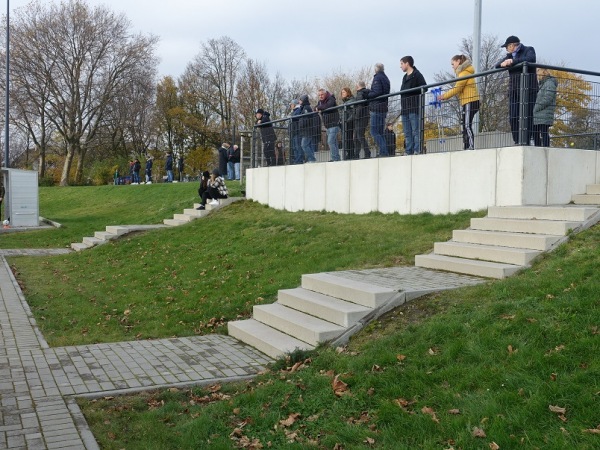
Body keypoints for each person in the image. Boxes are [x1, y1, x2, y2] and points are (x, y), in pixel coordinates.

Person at [495, 35, 538, 145]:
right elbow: (497, 66)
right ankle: (517, 141)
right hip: (514, 90)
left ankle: (526, 141)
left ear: (512, 45)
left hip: (528, 89)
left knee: (528, 116)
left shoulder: (528, 50)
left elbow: (531, 59)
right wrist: (503, 63)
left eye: (507, 47)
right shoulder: (509, 56)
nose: (506, 49)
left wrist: (513, 61)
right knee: (513, 116)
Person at [439, 54, 480, 150]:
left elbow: (457, 88)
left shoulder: (464, 73)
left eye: (453, 64)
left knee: (466, 124)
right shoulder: (463, 73)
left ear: (458, 61)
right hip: (467, 101)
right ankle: (466, 145)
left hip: (470, 100)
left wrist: (443, 96)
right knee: (465, 125)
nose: (452, 66)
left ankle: (470, 145)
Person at [400, 56, 428, 155]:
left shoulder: (417, 75)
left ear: (407, 63)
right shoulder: (404, 77)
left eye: (401, 64)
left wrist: (412, 92)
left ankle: (417, 150)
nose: (400, 66)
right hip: (405, 109)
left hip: (414, 107)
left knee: (416, 130)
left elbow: (424, 87)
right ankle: (409, 150)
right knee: (407, 132)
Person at [366, 63, 391, 156]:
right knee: (380, 132)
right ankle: (383, 152)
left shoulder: (377, 78)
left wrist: (368, 95)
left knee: (374, 132)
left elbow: (377, 92)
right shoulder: (386, 78)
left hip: (376, 107)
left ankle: (384, 152)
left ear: (376, 69)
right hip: (383, 107)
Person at [533, 68, 558, 147]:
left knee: (543, 131)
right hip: (540, 113)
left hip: (544, 112)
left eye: (538, 73)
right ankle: (539, 147)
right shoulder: (543, 84)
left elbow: (548, 98)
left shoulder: (549, 83)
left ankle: (545, 148)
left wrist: (536, 107)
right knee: (536, 131)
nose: (537, 76)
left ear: (542, 73)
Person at [315, 89, 341, 162]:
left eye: (322, 94)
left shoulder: (331, 98)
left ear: (325, 94)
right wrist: (317, 108)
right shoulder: (320, 102)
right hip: (327, 125)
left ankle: (334, 158)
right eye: (319, 95)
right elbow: (315, 108)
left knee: (330, 141)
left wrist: (319, 108)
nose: (320, 96)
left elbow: (327, 106)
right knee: (334, 142)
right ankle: (337, 158)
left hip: (334, 123)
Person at [298, 95, 318, 163]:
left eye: (300, 100)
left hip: (307, 130)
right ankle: (311, 159)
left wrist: (300, 123)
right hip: (306, 130)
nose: (299, 101)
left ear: (303, 100)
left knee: (304, 145)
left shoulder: (306, 108)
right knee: (308, 145)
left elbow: (306, 119)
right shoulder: (303, 108)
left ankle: (312, 158)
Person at [354, 81, 371, 158]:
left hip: (360, 117)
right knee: (357, 136)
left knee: (359, 136)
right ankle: (356, 154)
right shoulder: (366, 93)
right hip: (365, 116)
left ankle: (367, 153)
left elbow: (359, 106)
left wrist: (356, 116)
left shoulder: (360, 93)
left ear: (358, 86)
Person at [340, 87, 356, 160]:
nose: (342, 94)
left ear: (348, 92)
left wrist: (348, 120)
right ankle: (348, 154)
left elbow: (353, 112)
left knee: (349, 138)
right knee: (345, 138)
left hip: (349, 122)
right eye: (342, 92)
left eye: (344, 92)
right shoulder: (344, 102)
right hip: (344, 122)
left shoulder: (352, 100)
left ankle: (351, 154)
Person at [289, 99, 304, 164]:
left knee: (298, 146)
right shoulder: (294, 111)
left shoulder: (298, 110)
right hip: (294, 131)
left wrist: (291, 116)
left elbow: (297, 117)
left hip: (297, 131)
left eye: (291, 104)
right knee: (294, 147)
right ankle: (296, 159)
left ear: (294, 104)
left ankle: (299, 160)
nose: (291, 106)